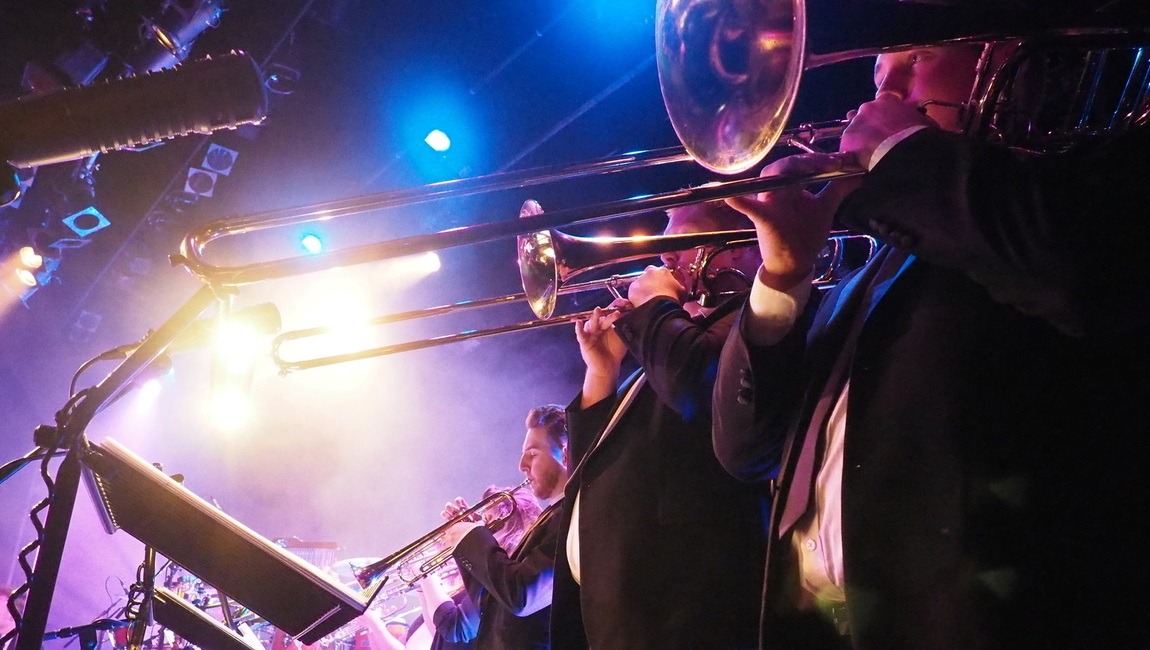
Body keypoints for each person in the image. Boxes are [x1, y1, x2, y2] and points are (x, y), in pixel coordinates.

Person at [712, 38, 1150, 649]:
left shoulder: (1070, 185)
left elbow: (1080, 270)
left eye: (915, 59)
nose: (884, 91)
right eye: (877, 75)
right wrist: (783, 276)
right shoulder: (867, 272)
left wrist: (901, 152)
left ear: (998, 57)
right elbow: (744, 448)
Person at [549, 201, 771, 650]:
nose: (665, 258)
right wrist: (602, 372)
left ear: (742, 248)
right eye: (665, 247)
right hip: (618, 614)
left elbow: (699, 392)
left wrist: (654, 309)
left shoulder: (750, 320)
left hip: (682, 617)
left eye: (681, 244)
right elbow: (593, 468)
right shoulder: (672, 343)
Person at [440, 405, 569, 650]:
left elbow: (522, 596)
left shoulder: (570, 516)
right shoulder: (553, 515)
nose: (521, 464)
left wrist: (474, 538)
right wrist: (465, 545)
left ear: (565, 454)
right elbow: (492, 602)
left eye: (532, 453)